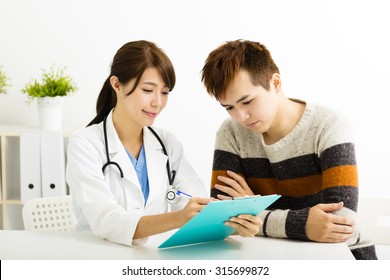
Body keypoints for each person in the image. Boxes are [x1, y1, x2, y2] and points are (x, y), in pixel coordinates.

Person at [66, 40, 261, 246]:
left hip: (149, 261)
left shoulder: (167, 143)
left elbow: (196, 206)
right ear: (117, 85)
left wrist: (237, 224)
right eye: (148, 90)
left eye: (165, 92)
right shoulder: (85, 144)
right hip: (97, 257)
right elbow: (107, 220)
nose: (158, 102)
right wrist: (177, 218)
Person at [201, 39, 377, 260]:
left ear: (275, 83)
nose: (240, 117)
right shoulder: (231, 133)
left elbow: (340, 222)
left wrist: (253, 211)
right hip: (270, 258)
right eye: (229, 107)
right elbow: (221, 218)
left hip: (343, 258)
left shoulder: (328, 125)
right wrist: (305, 224)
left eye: (247, 102)